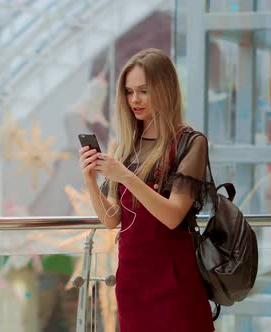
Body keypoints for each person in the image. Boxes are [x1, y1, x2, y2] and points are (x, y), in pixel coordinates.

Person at [78, 48, 215, 331]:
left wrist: (126, 176)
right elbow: (112, 219)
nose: (134, 100)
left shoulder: (191, 143)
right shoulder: (128, 145)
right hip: (131, 282)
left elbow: (173, 216)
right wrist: (90, 179)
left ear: (165, 89)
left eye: (143, 90)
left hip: (173, 281)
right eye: (129, 92)